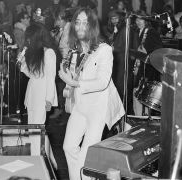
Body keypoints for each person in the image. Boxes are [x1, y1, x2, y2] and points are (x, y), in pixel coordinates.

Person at [58, 8, 125, 180]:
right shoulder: (75, 50)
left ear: (93, 26)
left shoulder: (104, 50)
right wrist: (67, 75)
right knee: (68, 146)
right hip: (81, 105)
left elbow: (102, 82)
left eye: (85, 22)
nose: (80, 26)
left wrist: (76, 82)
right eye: (77, 22)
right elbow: (75, 76)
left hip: (98, 108)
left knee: (86, 156)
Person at [19, 23, 58, 156]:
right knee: (33, 129)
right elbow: (32, 75)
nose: (28, 41)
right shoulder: (36, 54)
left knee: (37, 129)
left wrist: (49, 99)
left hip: (42, 96)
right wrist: (22, 64)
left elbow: (50, 78)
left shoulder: (49, 53)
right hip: (32, 94)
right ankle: (48, 160)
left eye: (30, 37)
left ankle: (39, 159)